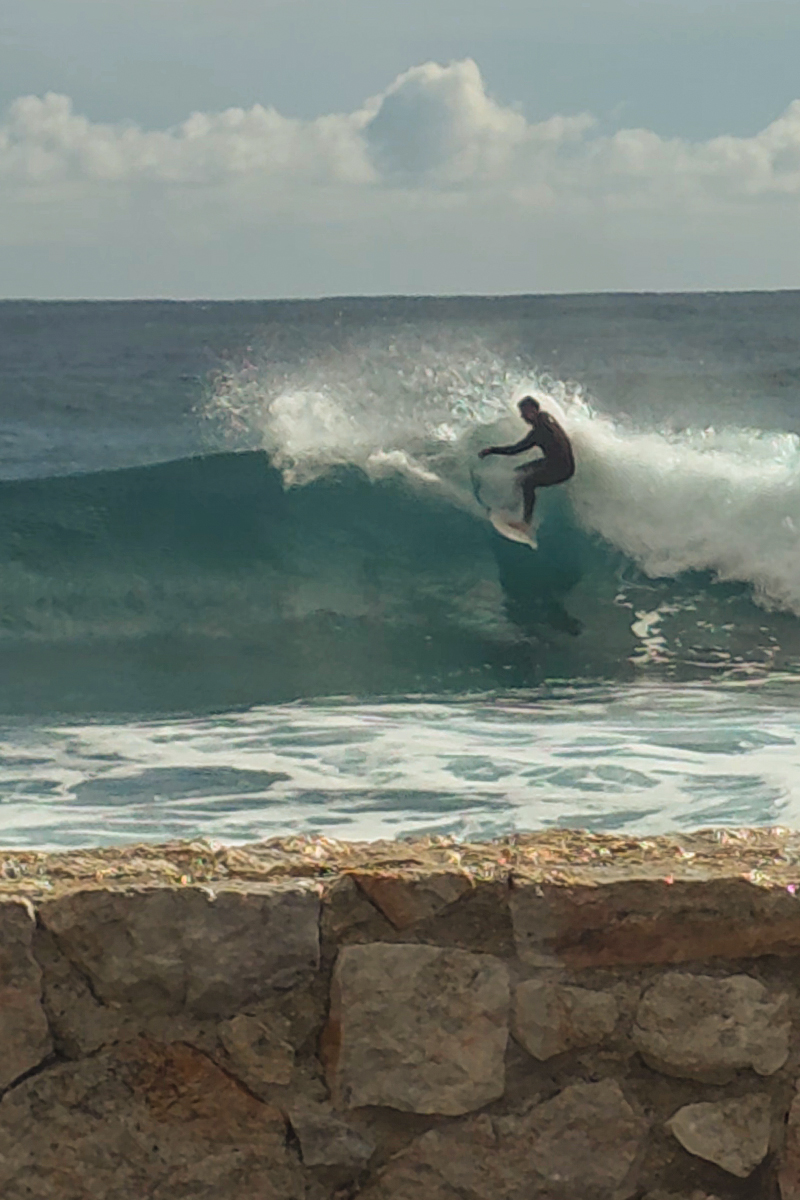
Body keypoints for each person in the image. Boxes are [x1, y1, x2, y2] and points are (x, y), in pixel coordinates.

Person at [478, 397, 574, 533]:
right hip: (557, 462)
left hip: (561, 469)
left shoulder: (540, 432)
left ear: (534, 410)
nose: (522, 416)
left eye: (524, 412)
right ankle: (513, 507)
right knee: (520, 472)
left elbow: (514, 450)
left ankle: (525, 523)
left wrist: (492, 450)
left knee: (527, 482)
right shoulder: (546, 417)